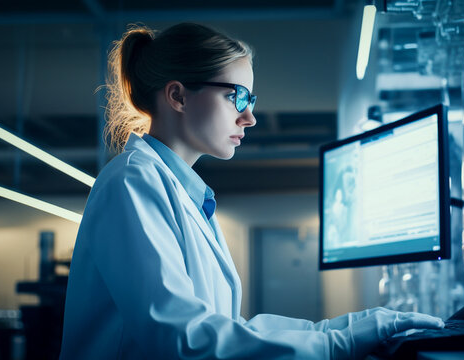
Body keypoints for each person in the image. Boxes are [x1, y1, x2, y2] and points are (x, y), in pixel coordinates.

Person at [60, 23, 444, 359]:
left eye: (250, 99)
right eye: (236, 97)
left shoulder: (181, 193)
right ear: (178, 96)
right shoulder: (131, 183)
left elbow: (226, 327)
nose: (250, 117)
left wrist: (345, 328)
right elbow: (183, 340)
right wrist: (333, 347)